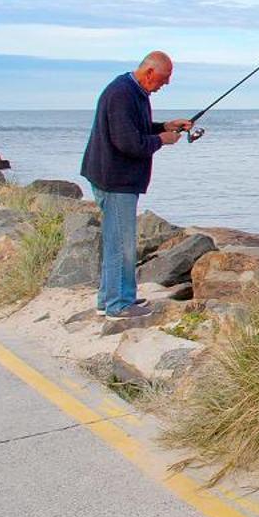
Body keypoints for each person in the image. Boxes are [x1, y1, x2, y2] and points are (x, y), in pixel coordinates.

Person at [80, 52, 194, 318]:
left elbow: (136, 128)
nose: (165, 84)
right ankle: (118, 305)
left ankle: (111, 298)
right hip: (115, 179)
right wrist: (162, 140)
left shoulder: (132, 90)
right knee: (122, 244)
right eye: (164, 79)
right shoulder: (122, 94)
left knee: (115, 240)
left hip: (115, 177)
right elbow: (128, 143)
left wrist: (166, 126)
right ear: (150, 72)